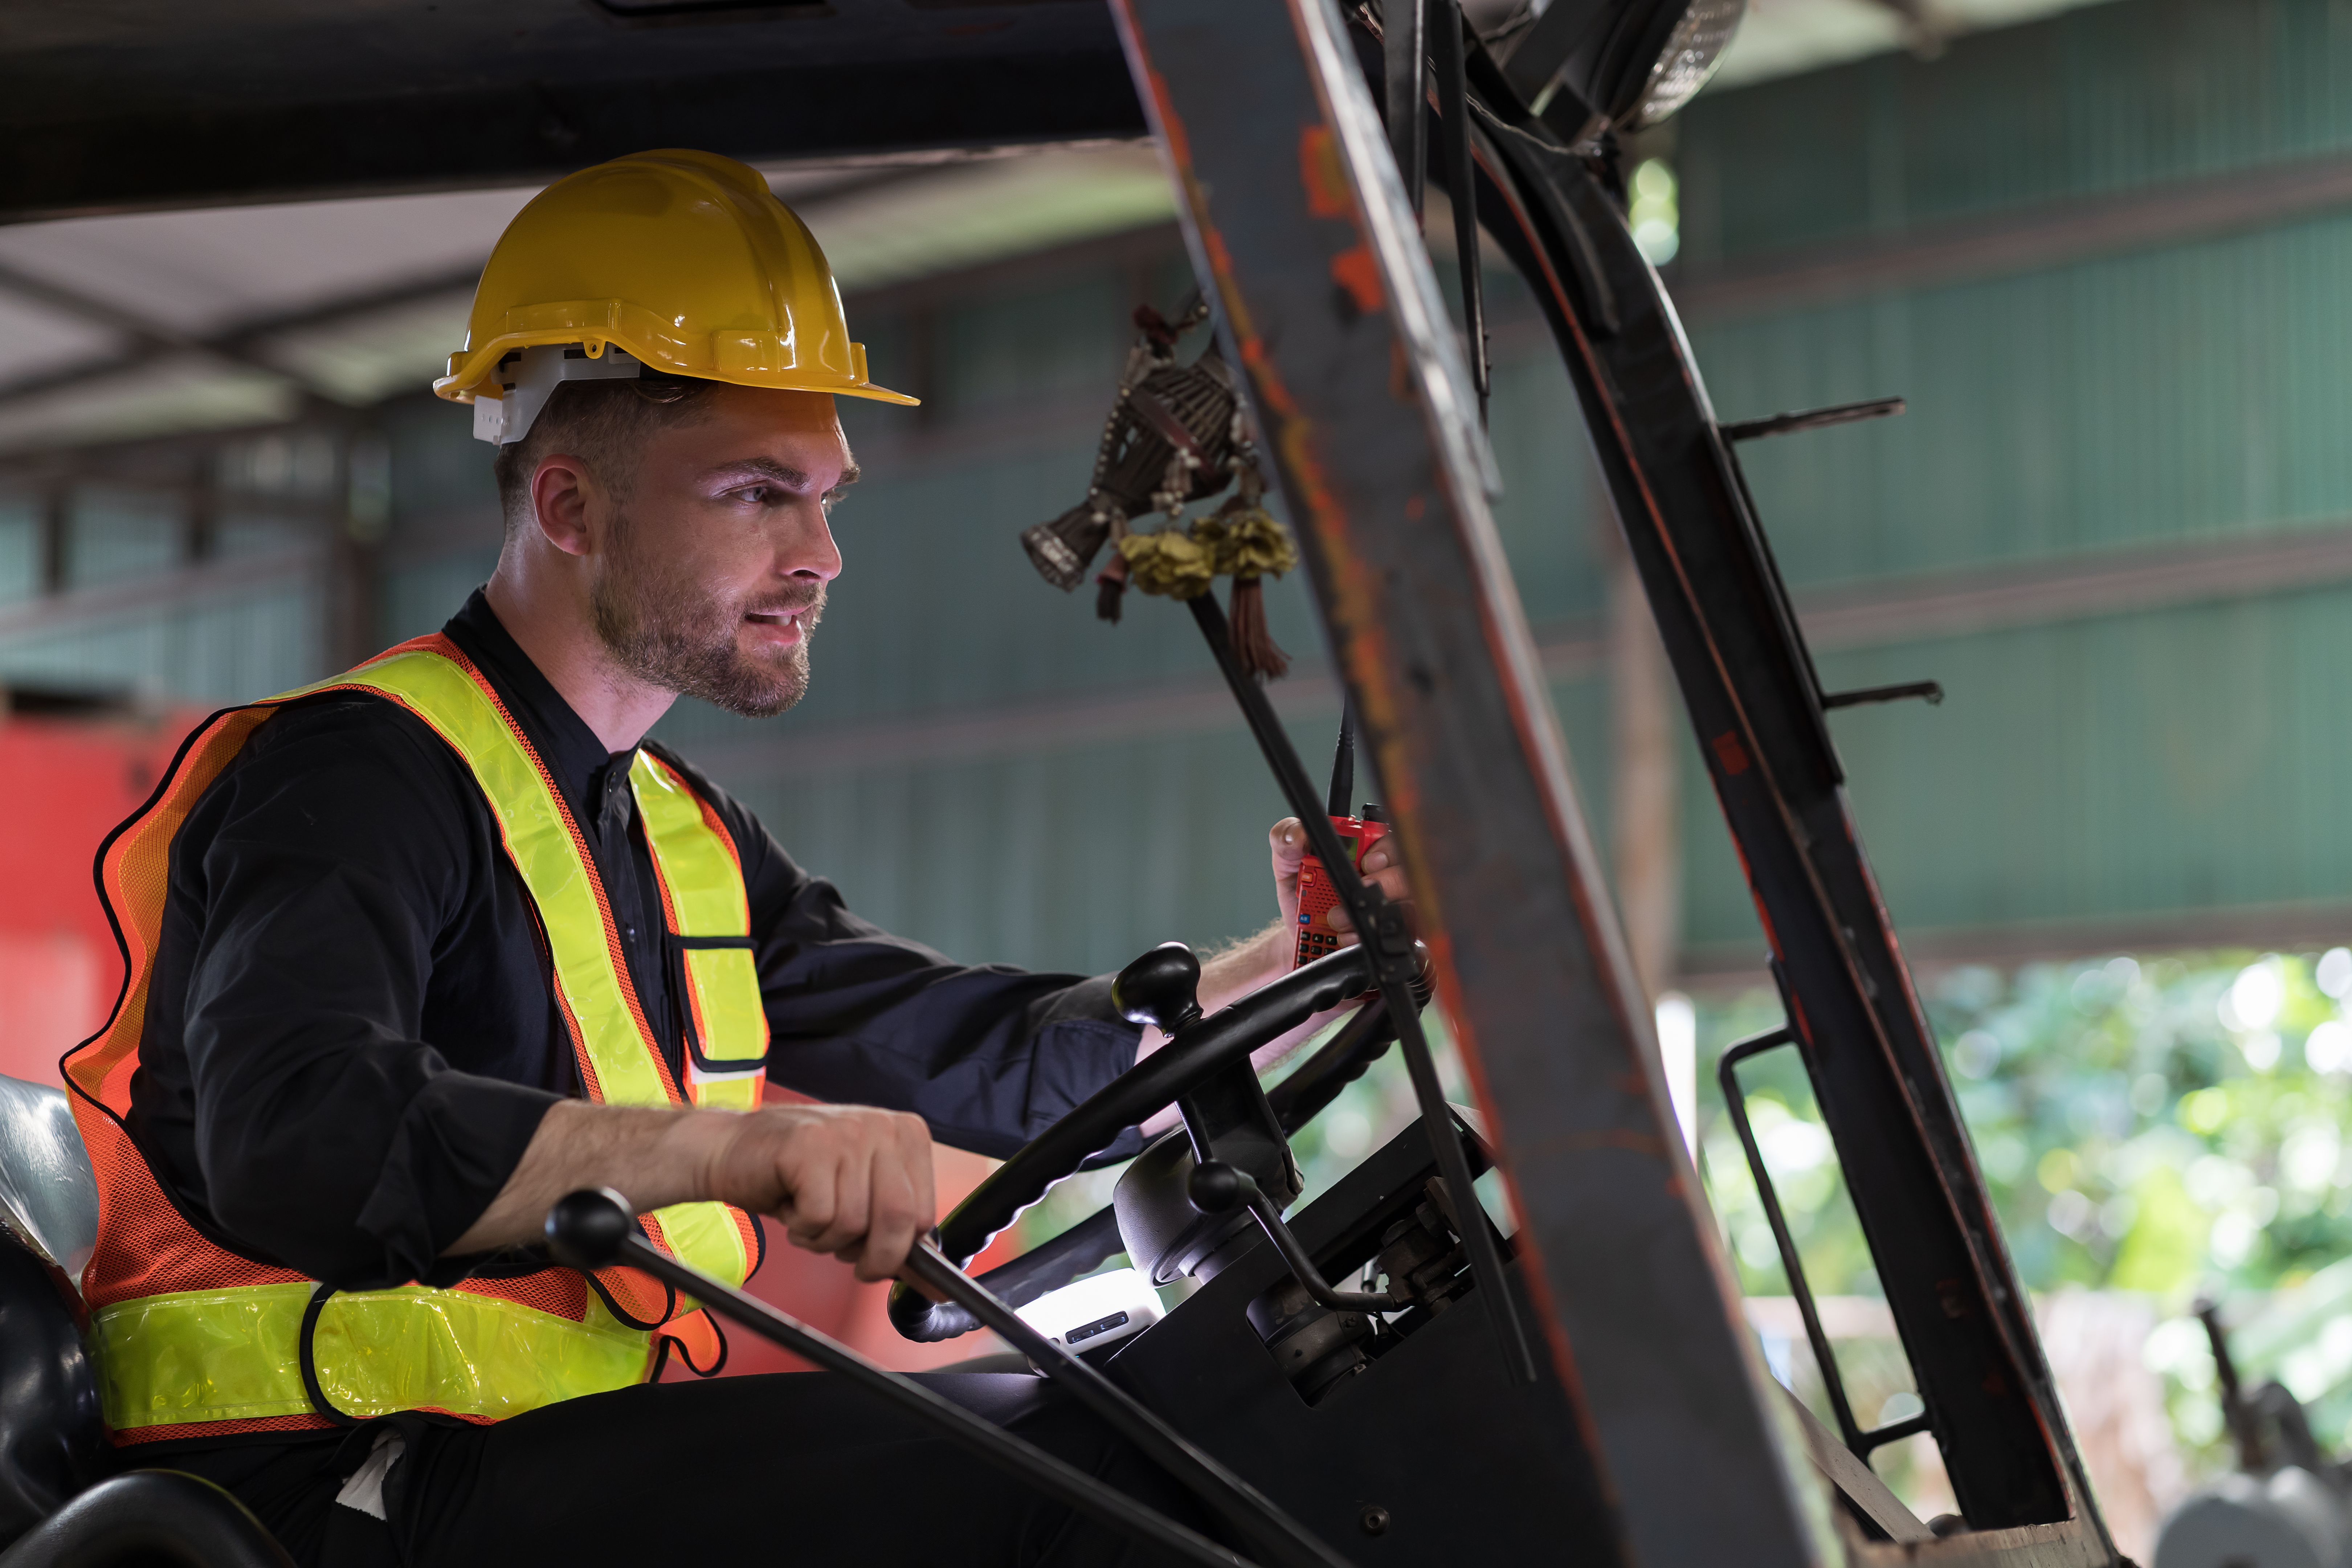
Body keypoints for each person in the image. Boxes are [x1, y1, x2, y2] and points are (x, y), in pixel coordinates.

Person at [61, 149, 1410, 1567]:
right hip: (324, 1494)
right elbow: (299, 1140)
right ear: (572, 507)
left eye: (827, 495)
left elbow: (988, 1057)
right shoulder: (355, 778)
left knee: (1151, 1428)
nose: (822, 553)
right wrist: (736, 1145)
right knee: (1086, 1501)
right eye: (760, 493)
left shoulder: (678, 836)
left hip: (526, 1471)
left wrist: (1295, 974)